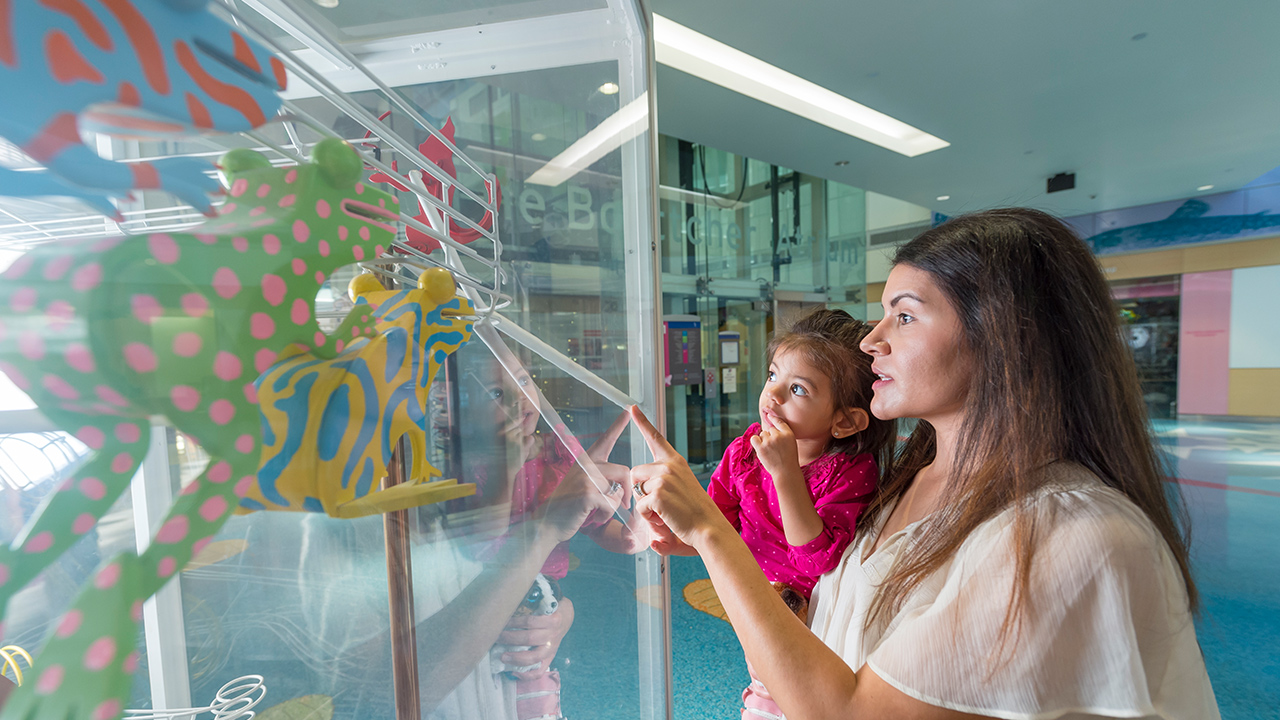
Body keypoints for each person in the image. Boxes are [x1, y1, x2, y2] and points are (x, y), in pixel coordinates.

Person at [630, 208, 1220, 719]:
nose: (870, 341)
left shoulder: (1068, 536)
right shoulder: (908, 480)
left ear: (1004, 337)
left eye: (905, 317)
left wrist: (712, 534)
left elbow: (854, 712)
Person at [657, 309, 894, 719]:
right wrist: (677, 540)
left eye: (798, 389)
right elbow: (719, 526)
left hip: (815, 624)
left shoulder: (851, 472)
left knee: (790, 697)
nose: (774, 395)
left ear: (844, 421)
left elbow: (816, 558)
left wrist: (784, 472)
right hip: (757, 601)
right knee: (763, 687)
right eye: (772, 376)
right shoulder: (744, 451)